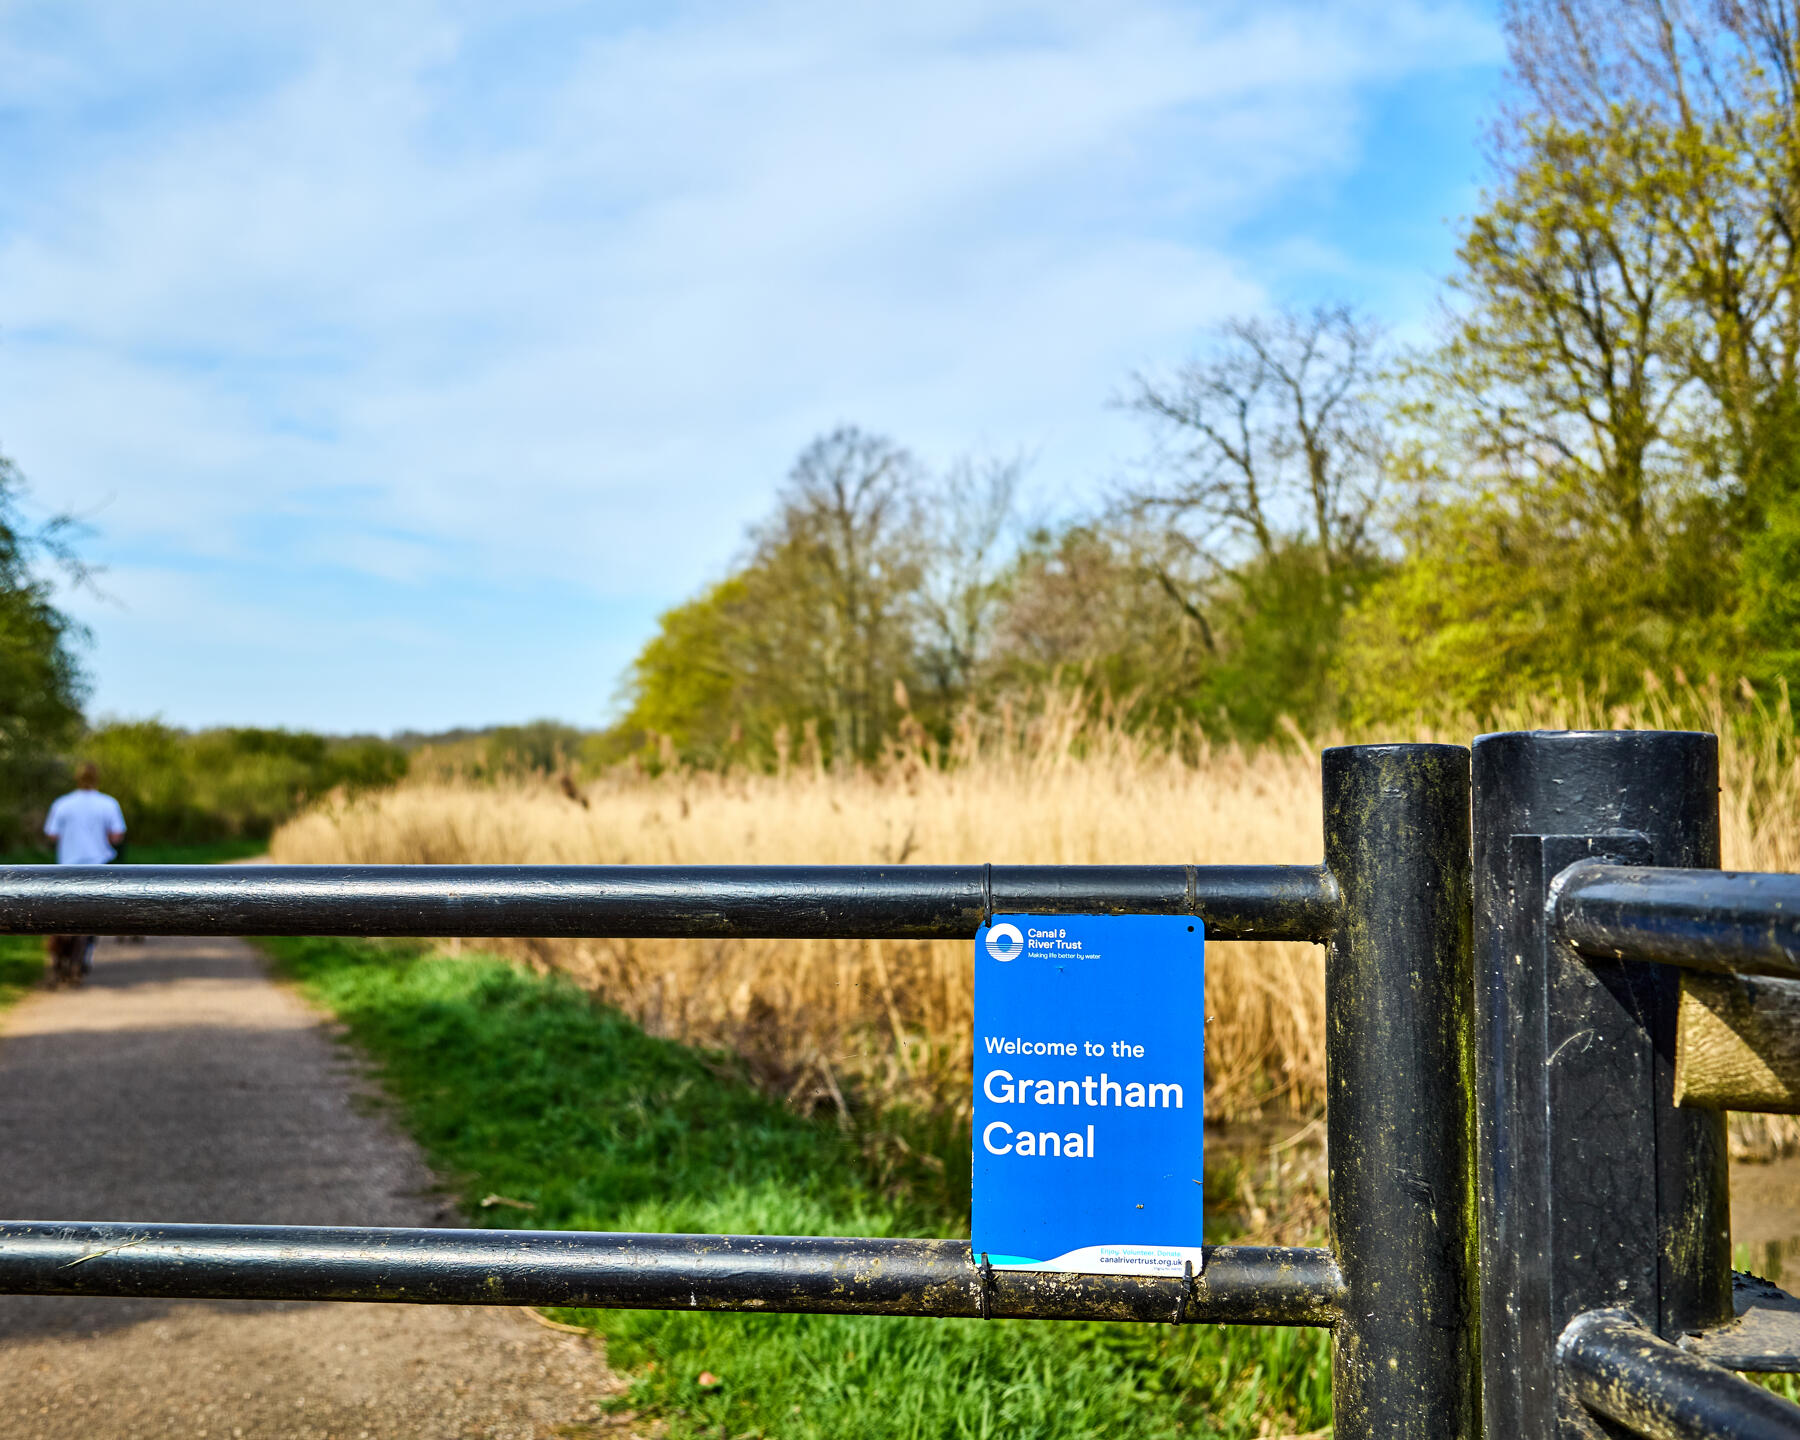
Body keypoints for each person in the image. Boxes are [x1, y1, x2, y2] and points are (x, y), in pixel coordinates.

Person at [42, 763, 126, 982]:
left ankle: (60, 959)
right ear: (97, 778)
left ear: (76, 778)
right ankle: (84, 957)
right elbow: (117, 836)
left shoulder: (62, 804)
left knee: (63, 915)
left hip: (66, 867)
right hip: (97, 867)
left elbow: (52, 835)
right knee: (91, 915)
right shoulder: (108, 803)